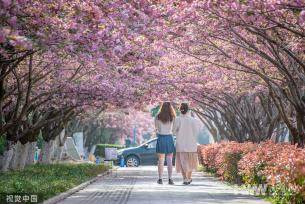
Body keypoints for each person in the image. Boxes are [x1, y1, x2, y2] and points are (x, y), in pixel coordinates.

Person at [174, 103, 200, 185]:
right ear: (188, 110)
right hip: (191, 144)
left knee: (182, 162)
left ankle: (185, 178)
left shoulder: (177, 119)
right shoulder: (193, 120)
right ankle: (188, 178)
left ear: (180, 110)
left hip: (180, 144)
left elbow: (174, 131)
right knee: (190, 162)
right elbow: (196, 132)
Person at [155, 102, 176, 185]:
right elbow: (174, 129)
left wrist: (160, 130)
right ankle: (170, 179)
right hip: (169, 138)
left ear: (162, 107)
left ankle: (160, 179)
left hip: (161, 138)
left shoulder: (157, 116)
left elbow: (156, 127)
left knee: (160, 160)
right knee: (170, 160)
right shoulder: (172, 116)